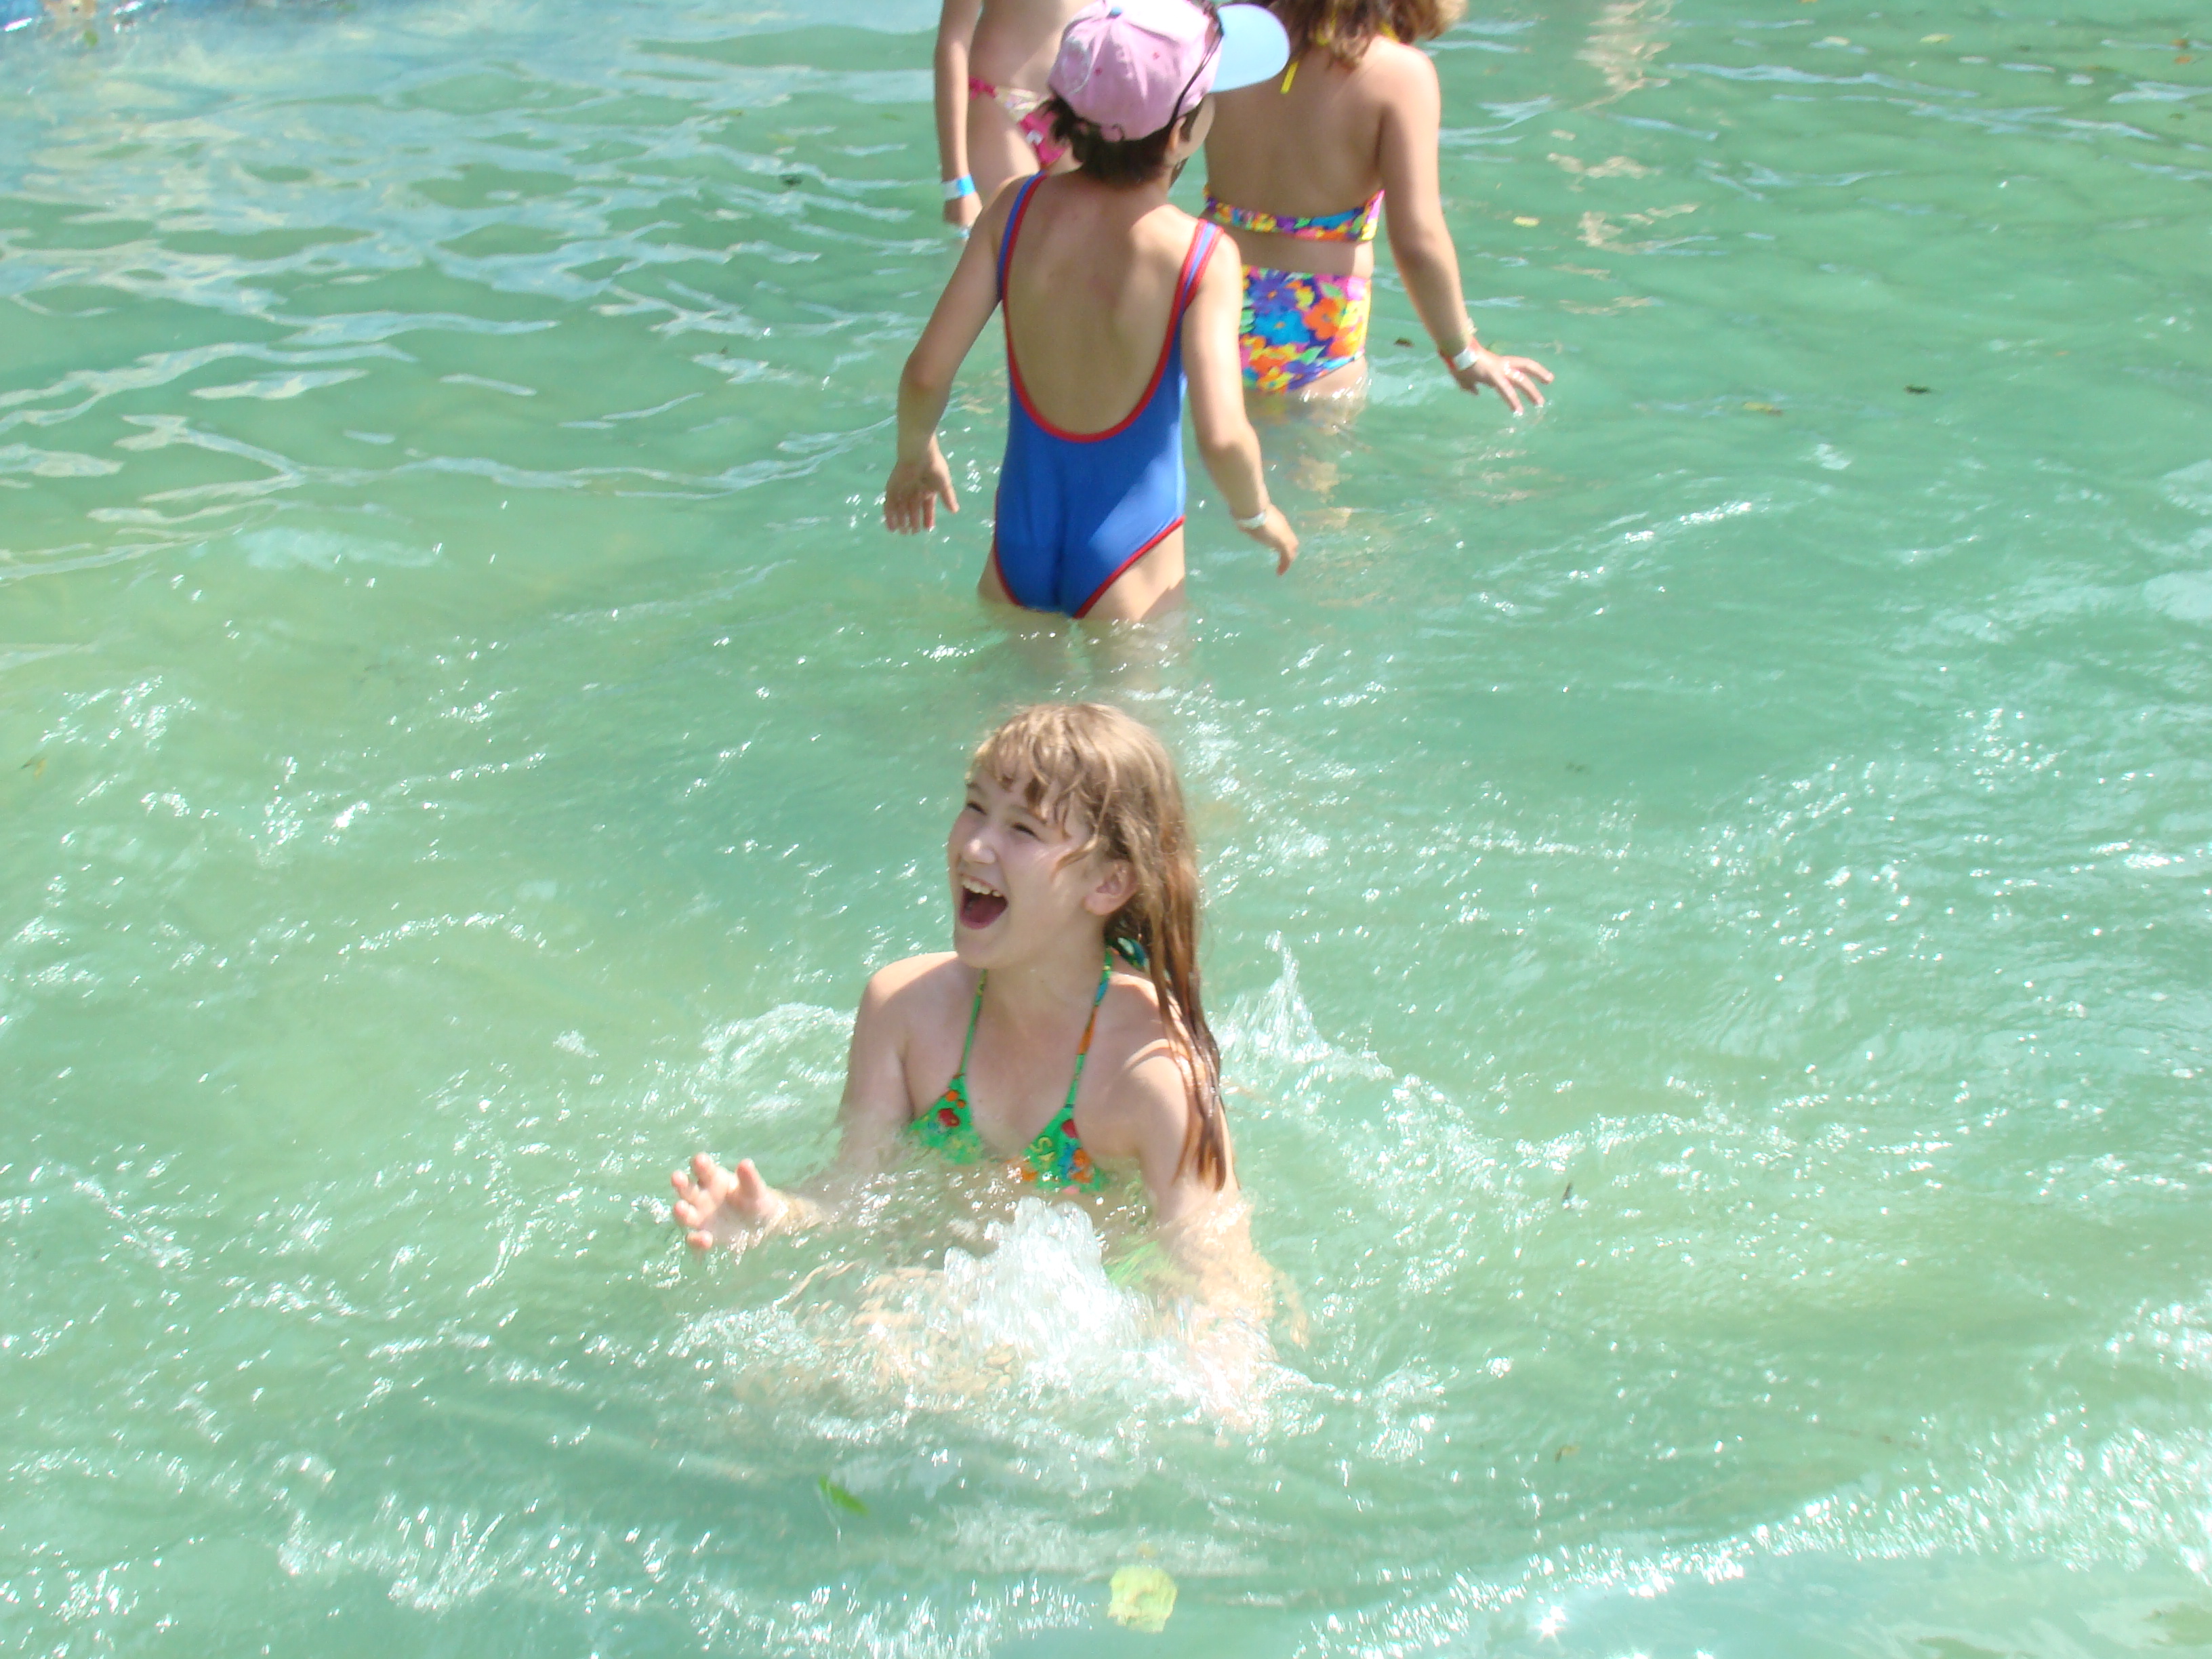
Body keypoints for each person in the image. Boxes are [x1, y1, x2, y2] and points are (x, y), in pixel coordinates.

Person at [670, 703, 1264, 1310]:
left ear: (1107, 883)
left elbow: (1220, 1285)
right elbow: (855, 1191)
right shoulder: (903, 1010)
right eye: (975, 806)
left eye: (1023, 829)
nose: (976, 845)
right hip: (941, 1292)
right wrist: (777, 1215)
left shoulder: (1153, 1076)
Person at [886, 0, 1300, 623]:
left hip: (1017, 549)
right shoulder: (1201, 255)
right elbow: (1221, 437)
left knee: (1014, 690)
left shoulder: (1012, 210)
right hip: (1133, 563)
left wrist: (914, 454)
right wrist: (1256, 513)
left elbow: (925, 373)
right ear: (1182, 132)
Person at [1200, 0, 1555, 407]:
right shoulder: (1399, 74)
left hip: (1207, 291)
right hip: (1314, 324)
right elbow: (1417, 240)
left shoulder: (1221, 41)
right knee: (1303, 444)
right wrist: (1462, 351)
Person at [932, 0, 1089, 235]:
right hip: (1000, 104)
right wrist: (957, 185)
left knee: (1077, 243)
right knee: (1010, 238)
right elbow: (954, 41)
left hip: (1076, 110)